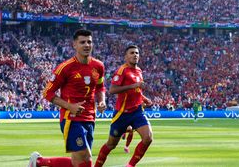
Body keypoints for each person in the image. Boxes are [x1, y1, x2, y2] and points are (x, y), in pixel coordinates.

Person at [29, 29, 106, 167]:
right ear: (74, 45)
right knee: (86, 158)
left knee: (78, 162)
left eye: (89, 42)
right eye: (82, 42)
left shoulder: (98, 66)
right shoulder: (65, 68)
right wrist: (70, 106)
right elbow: (47, 93)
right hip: (71, 119)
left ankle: (39, 161)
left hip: (90, 118)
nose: (87, 45)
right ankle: (39, 161)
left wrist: (102, 101)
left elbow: (100, 87)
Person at [94, 45, 153, 167]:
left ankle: (130, 165)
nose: (135, 55)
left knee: (148, 138)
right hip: (122, 113)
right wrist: (133, 85)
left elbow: (138, 91)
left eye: (137, 53)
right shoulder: (122, 71)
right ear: (126, 57)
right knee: (111, 145)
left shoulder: (139, 71)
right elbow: (112, 90)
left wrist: (145, 99)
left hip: (137, 111)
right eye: (132, 53)